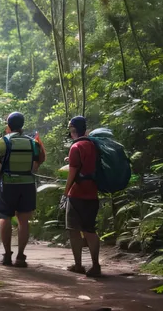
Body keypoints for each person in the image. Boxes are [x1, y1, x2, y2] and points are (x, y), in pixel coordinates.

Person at [0, 112, 44, 267]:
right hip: (28, 184)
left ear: (8, 125)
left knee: (4, 217)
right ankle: (21, 256)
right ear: (22, 125)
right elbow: (38, 162)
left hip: (8, 184)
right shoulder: (32, 142)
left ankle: (7, 254)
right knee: (23, 221)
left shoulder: (3, 142)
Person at [63, 116, 101, 277]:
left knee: (74, 230)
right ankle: (95, 265)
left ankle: (78, 265)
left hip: (77, 194)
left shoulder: (75, 147)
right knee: (90, 230)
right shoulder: (94, 144)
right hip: (92, 193)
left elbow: (72, 174)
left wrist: (65, 193)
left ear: (73, 130)